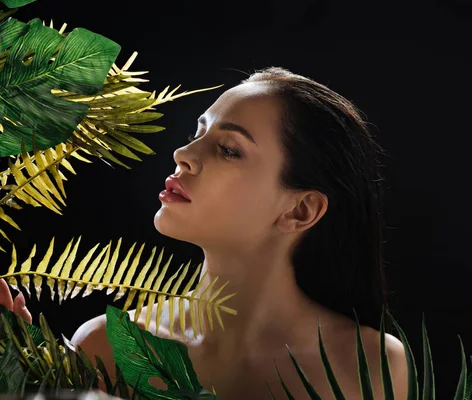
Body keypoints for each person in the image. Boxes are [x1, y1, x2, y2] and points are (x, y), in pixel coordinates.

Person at [1, 67, 408, 399]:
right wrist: (26, 378)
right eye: (198, 134)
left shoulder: (369, 365)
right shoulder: (105, 348)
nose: (183, 155)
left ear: (300, 210)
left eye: (228, 149)